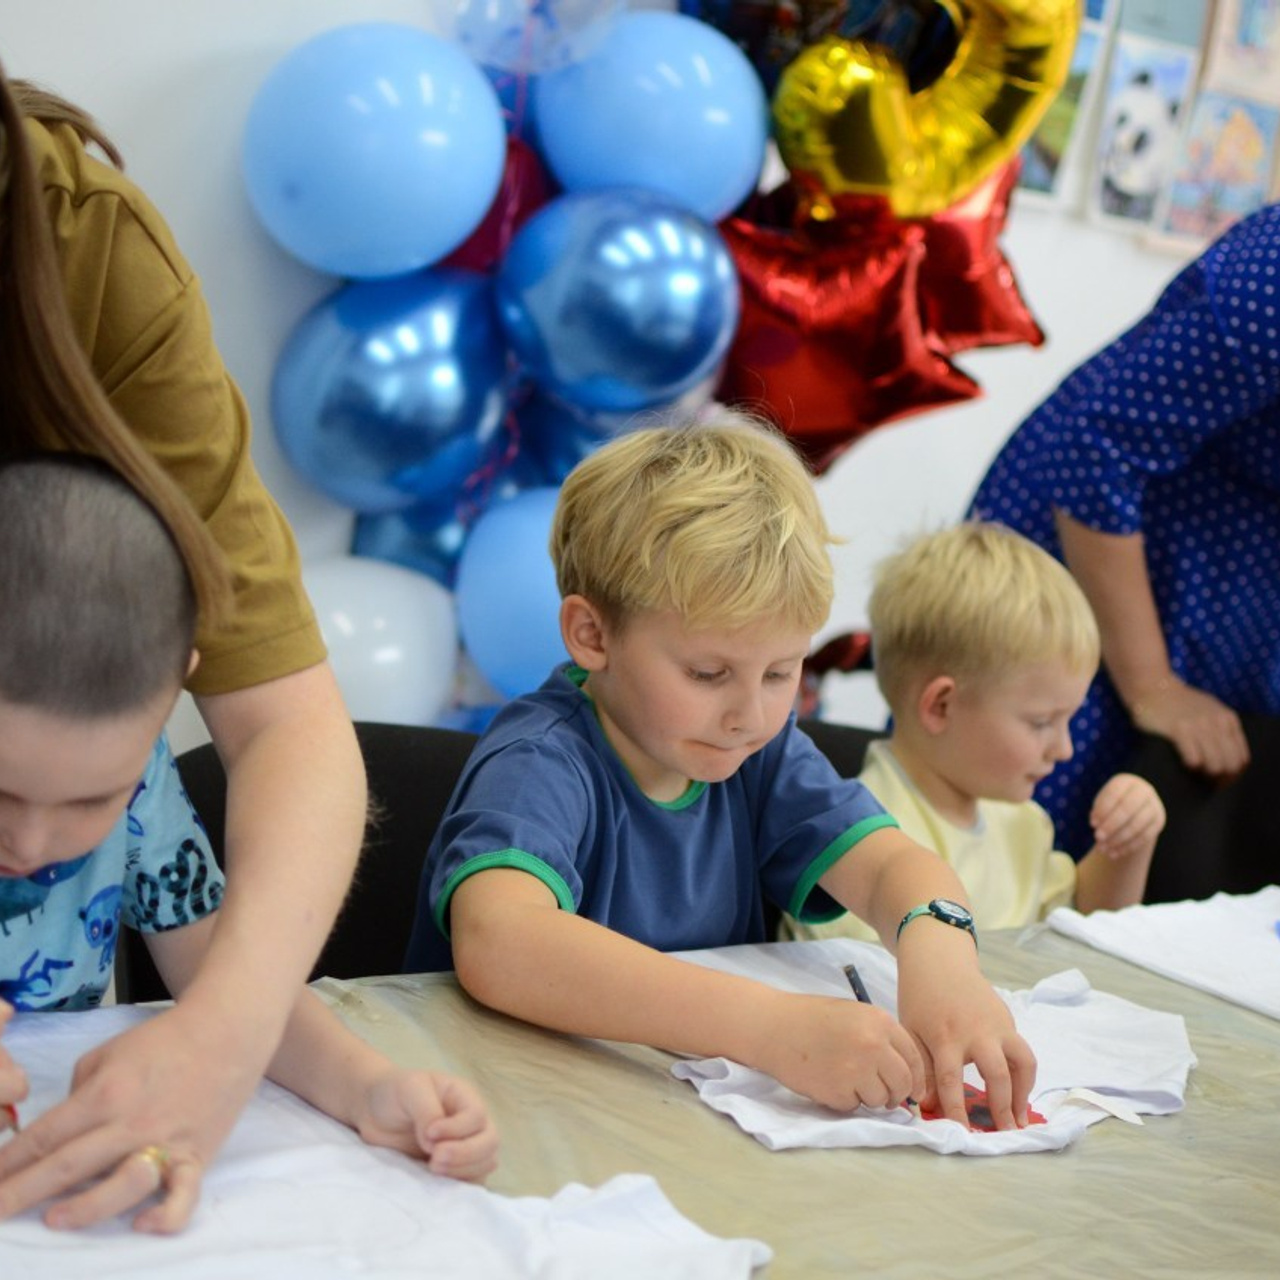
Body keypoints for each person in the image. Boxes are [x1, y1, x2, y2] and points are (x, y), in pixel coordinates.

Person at [405, 415, 1037, 1129]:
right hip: (507, 1113)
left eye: (780, 671)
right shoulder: (541, 759)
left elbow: (893, 865)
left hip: (664, 1111)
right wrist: (771, 1029)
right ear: (592, 635)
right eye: (709, 672)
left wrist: (942, 958)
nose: (750, 713)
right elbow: (501, 942)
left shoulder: (754, 751)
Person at [0, 68, 368, 1226]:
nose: (33, 838)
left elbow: (290, 725)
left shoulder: (82, 249)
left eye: (81, 799)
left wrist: (235, 1035)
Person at [0, 455, 498, 1231]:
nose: (31, 841)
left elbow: (227, 985)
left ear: (174, 689)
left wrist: (366, 1087)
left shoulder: (145, 794)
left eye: (88, 799)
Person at [968, 204, 1280, 856]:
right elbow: (1098, 450)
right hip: (1111, 547)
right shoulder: (1271, 274)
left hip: (1243, 592)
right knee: (1028, 843)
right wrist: (1152, 685)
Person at [783, 523, 1165, 946]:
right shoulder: (861, 849)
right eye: (1041, 723)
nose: (1064, 748)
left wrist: (1128, 846)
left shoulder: (1020, 822)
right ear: (941, 706)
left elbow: (1087, 929)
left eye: (1068, 720)